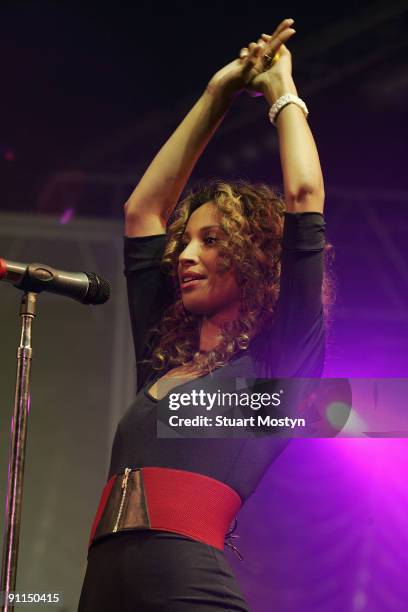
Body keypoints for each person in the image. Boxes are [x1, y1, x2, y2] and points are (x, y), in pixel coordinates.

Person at [78, 17, 327, 612]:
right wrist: (217, 95)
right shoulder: (164, 357)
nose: (186, 256)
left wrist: (282, 93)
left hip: (184, 580)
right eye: (185, 241)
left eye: (211, 241)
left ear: (254, 257)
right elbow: (143, 211)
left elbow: (304, 197)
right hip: (101, 583)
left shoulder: (278, 364)